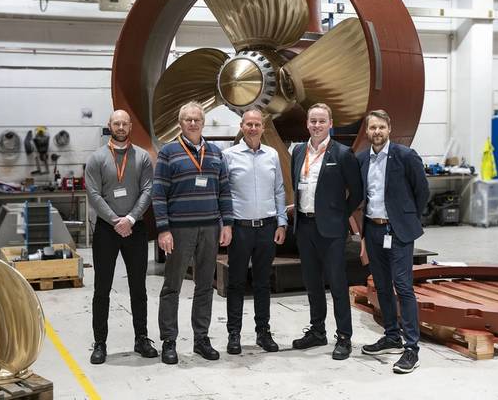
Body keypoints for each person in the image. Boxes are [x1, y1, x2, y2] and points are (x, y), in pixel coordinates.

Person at [152, 101, 233, 365]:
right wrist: (163, 229)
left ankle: (201, 339)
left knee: (204, 287)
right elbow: (159, 193)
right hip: (179, 229)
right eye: (187, 119)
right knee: (172, 286)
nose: (193, 123)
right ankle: (169, 341)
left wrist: (227, 224)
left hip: (209, 228)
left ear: (203, 122)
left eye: (197, 119)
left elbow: (224, 191)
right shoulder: (168, 152)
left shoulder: (215, 152)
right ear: (180, 123)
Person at [358, 109, 429, 374]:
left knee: (403, 285)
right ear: (367, 131)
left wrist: (406, 218)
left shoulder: (405, 155)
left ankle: (412, 348)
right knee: (382, 286)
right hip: (374, 231)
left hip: (397, 231)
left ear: (389, 129)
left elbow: (421, 191)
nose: (376, 132)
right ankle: (391, 336)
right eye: (372, 128)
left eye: (381, 128)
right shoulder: (362, 158)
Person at [291, 103, 363, 360]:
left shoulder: (343, 154)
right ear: (307, 124)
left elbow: (357, 191)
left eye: (322, 121)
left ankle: (344, 336)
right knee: (311, 282)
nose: (317, 125)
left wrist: (340, 214)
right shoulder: (298, 151)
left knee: (338, 284)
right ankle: (317, 331)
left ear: (330, 124)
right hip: (305, 227)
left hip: (331, 229)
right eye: (313, 121)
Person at [85, 109, 157, 364]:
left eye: (125, 123)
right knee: (101, 288)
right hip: (107, 229)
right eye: (117, 123)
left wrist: (131, 218)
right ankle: (100, 342)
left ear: (130, 126)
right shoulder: (97, 159)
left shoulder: (143, 158)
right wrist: (115, 220)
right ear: (110, 126)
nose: (121, 127)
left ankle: (141, 338)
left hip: (135, 229)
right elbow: (93, 194)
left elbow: (148, 190)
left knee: (138, 288)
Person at [222, 109, 287, 355]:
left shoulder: (271, 155)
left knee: (262, 283)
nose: (252, 128)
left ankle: (263, 332)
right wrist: (225, 224)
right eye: (248, 124)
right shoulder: (228, 155)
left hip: (267, 228)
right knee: (236, 283)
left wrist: (281, 222)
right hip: (240, 229)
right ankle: (234, 334)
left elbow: (279, 189)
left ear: (263, 128)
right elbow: (223, 192)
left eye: (256, 124)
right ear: (241, 126)